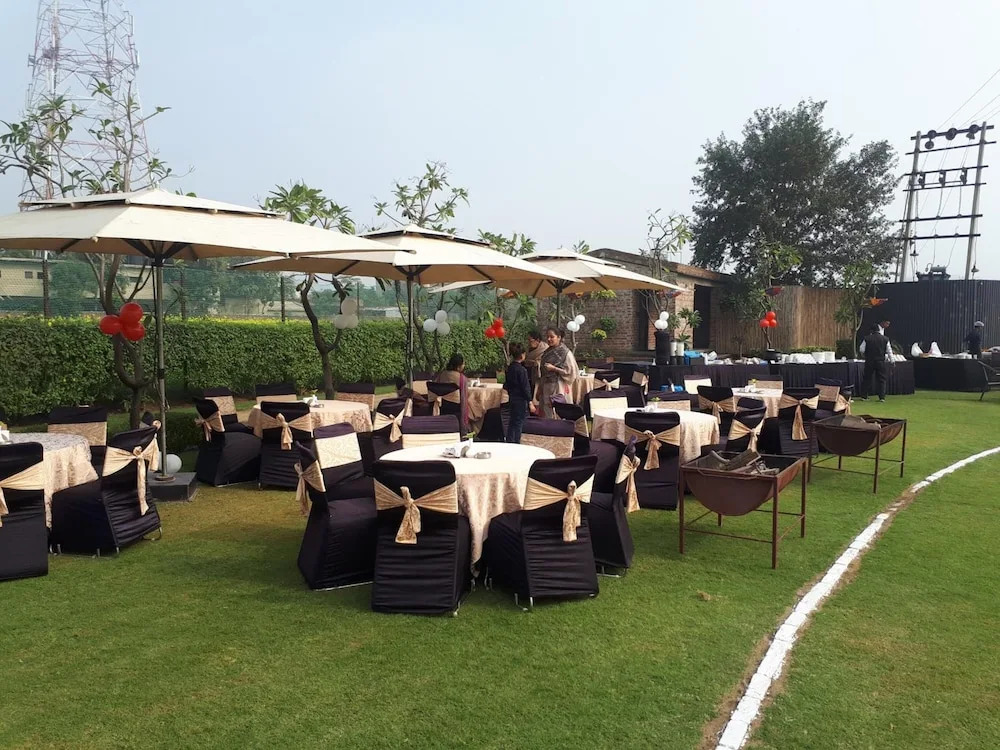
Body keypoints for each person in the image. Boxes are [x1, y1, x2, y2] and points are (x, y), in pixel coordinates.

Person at [537, 326, 578, 417]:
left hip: (558, 386)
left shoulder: (565, 353)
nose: (549, 339)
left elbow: (571, 372)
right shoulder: (547, 351)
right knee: (546, 411)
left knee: (557, 410)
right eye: (547, 337)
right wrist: (540, 388)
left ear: (559, 337)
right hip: (546, 385)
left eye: (552, 337)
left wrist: (554, 369)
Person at [503, 342, 534, 443]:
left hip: (512, 398)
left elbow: (506, 384)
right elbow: (525, 387)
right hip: (521, 400)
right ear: (522, 355)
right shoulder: (522, 370)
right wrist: (530, 401)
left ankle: (510, 441)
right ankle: (517, 441)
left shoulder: (510, 368)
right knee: (519, 423)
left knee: (512, 421)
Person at [435, 353, 469, 432]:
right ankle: (468, 430)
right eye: (463, 364)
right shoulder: (462, 378)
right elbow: (464, 399)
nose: (464, 366)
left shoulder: (442, 374)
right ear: (458, 366)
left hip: (442, 406)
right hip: (456, 407)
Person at [859, 324, 891, 402]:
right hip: (880, 361)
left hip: (870, 361)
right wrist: (892, 360)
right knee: (881, 379)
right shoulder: (885, 339)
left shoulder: (867, 338)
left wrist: (865, 355)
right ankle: (882, 397)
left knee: (867, 378)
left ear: (871, 331)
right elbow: (889, 350)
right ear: (879, 330)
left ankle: (864, 396)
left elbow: (861, 349)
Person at [524, 329, 548, 399]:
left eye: (530, 340)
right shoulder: (528, 348)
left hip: (537, 375)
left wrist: (535, 362)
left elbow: (542, 362)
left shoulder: (544, 349)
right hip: (527, 372)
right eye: (528, 340)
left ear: (537, 340)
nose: (529, 342)